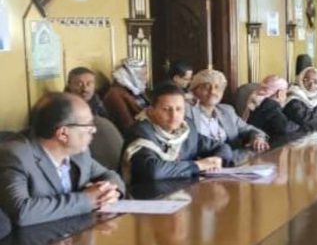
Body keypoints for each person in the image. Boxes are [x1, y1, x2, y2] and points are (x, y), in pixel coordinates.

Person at [0, 92, 124, 227]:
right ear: (63, 134)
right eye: (88, 125)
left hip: (76, 232)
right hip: (37, 237)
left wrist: (109, 192)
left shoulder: (79, 153)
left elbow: (109, 175)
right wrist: (86, 200)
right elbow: (22, 212)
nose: (94, 130)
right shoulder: (15, 156)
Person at [121, 84, 233, 184]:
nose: (174, 115)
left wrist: (217, 160)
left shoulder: (186, 128)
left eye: (179, 109)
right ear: (151, 111)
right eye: (166, 109)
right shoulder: (141, 132)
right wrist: (198, 165)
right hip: (148, 195)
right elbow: (153, 171)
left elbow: (222, 147)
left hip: (185, 191)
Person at [185, 69, 269, 156]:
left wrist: (257, 138)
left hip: (231, 160)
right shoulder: (186, 111)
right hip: (200, 161)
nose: (212, 91)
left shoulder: (227, 110)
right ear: (194, 90)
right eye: (206, 87)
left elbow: (250, 129)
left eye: (217, 87)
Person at [284, 66, 317, 131]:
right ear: (300, 80)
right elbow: (305, 120)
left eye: (316, 82)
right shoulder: (294, 97)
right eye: (307, 80)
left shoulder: (316, 96)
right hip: (295, 135)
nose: (312, 85)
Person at [103, 58, 150, 134]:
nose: (146, 78)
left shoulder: (134, 90)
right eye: (142, 74)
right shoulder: (115, 94)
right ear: (130, 75)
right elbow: (128, 126)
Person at [247, 75, 300, 140]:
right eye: (285, 93)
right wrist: (299, 123)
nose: (286, 96)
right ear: (279, 93)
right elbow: (286, 128)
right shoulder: (271, 107)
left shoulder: (258, 102)